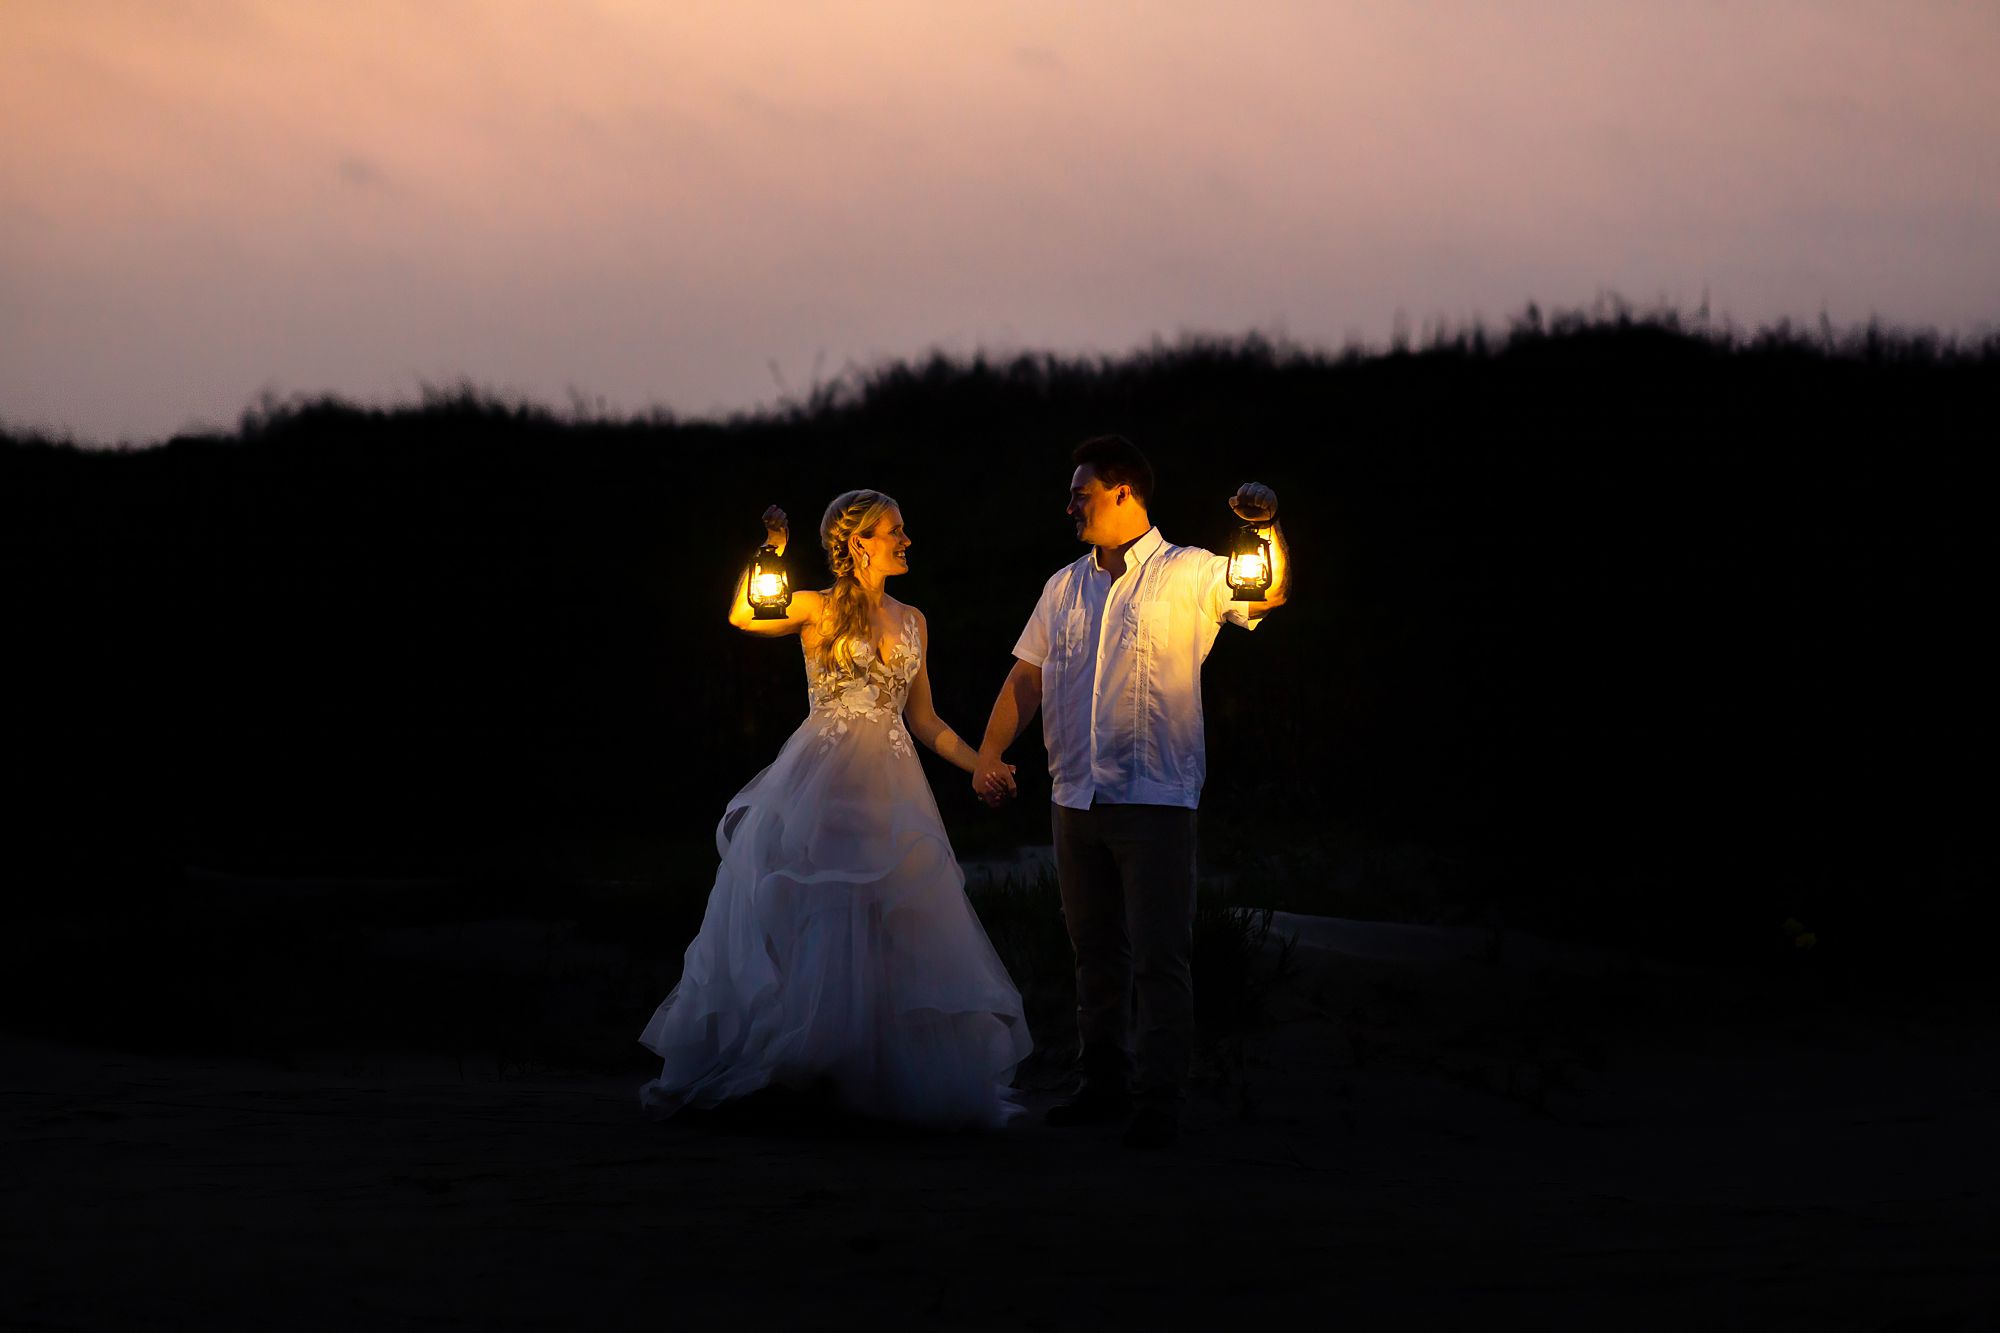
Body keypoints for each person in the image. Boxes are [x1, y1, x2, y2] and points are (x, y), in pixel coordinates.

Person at [638, 490, 1032, 1129]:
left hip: (893, 784)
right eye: (895, 531)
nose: (907, 540)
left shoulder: (914, 620)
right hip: (823, 778)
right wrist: (770, 555)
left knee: (888, 921)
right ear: (860, 543)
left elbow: (925, 720)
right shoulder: (818, 608)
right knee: (820, 912)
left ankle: (869, 1071)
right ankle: (803, 1065)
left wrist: (981, 764)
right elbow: (744, 615)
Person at [972, 436, 1289, 1149]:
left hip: (1155, 798)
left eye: (1082, 493)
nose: (1071, 505)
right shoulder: (1062, 586)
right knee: (1094, 954)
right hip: (1072, 798)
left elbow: (1268, 592)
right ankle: (1102, 1082)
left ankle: (1159, 1100)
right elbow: (1026, 677)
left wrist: (1265, 530)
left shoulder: (1192, 572)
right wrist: (991, 750)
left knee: (1159, 954)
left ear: (1124, 493)